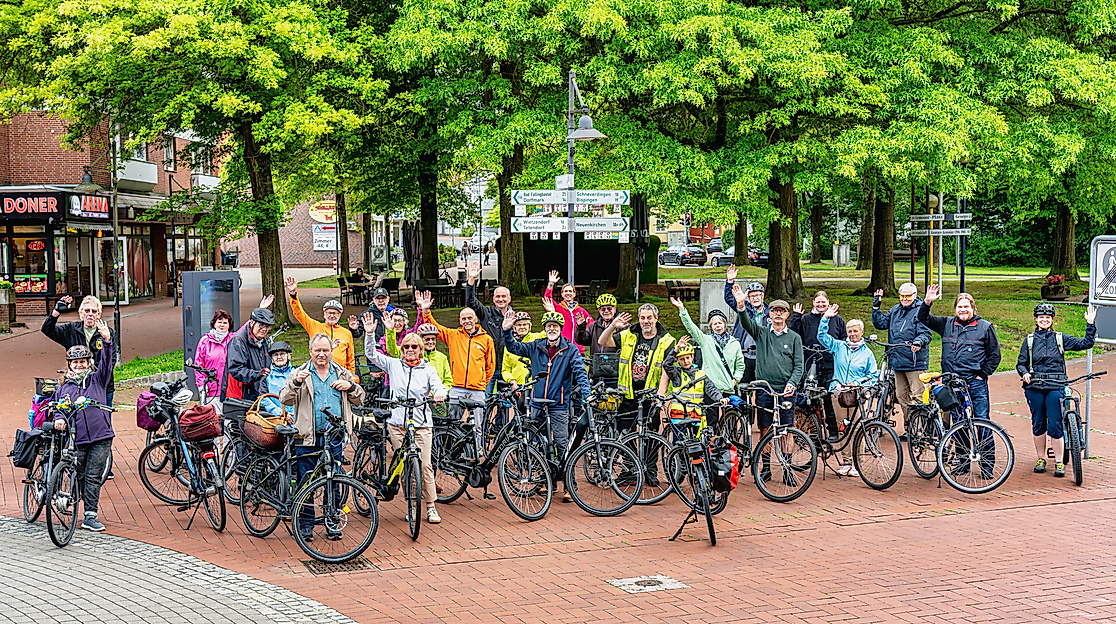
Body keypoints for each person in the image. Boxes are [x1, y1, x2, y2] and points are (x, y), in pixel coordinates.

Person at [279, 333, 365, 540]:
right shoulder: (300, 372)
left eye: (325, 350)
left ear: (331, 351)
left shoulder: (342, 373)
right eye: (317, 350)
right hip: (307, 436)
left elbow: (360, 398)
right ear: (310, 351)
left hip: (334, 436)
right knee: (306, 481)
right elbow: (284, 398)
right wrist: (296, 383)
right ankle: (306, 525)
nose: (321, 354)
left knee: (333, 481)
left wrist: (351, 386)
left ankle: (332, 521)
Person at [363, 314, 448, 523]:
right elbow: (371, 354)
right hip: (398, 423)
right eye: (407, 347)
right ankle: (411, 505)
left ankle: (430, 506)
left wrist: (439, 394)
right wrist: (370, 333)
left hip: (421, 424)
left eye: (414, 347)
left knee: (425, 465)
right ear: (402, 350)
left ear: (420, 349)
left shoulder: (427, 369)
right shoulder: (394, 365)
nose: (410, 350)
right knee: (406, 464)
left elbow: (439, 385)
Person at [502, 310, 591, 502]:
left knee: (562, 444)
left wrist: (587, 394)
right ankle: (545, 481)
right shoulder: (536, 346)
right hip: (537, 403)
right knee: (539, 444)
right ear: (544, 329)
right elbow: (513, 347)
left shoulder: (569, 349)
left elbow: (580, 373)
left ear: (560, 329)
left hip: (558, 404)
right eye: (549, 326)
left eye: (555, 326)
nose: (552, 329)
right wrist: (507, 331)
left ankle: (569, 484)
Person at [918, 284, 1001, 477]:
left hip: (975, 383)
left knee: (981, 422)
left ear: (973, 308)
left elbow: (995, 355)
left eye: (966, 307)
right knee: (958, 423)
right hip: (952, 384)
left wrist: (983, 374)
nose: (963, 310)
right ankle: (963, 463)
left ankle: (987, 466)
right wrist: (927, 301)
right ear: (955, 309)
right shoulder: (946, 324)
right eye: (959, 307)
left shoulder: (985, 327)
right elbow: (923, 318)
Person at [1017, 303, 1096, 477]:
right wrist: (1024, 373)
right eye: (1041, 318)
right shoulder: (1029, 340)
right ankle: (1041, 458)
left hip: (1055, 385)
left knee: (1055, 424)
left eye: (1047, 318)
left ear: (1052, 320)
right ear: (1036, 320)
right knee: (1038, 423)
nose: (1044, 320)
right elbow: (1021, 363)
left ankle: (1059, 462)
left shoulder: (1060, 338)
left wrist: (1090, 324)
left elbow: (1086, 343)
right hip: (1035, 387)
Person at [731, 287, 803, 473]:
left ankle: (787, 467)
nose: (778, 314)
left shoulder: (794, 338)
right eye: (774, 311)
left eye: (781, 311)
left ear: (787, 314)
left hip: (786, 389)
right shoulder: (762, 333)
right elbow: (746, 323)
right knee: (765, 428)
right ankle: (766, 467)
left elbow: (799, 366)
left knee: (787, 429)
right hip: (765, 389)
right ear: (769, 313)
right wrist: (740, 305)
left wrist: (792, 383)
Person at [53, 320, 114, 532]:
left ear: (89, 362)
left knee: (93, 475)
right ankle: (73, 501)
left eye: (83, 361)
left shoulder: (98, 379)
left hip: (101, 436)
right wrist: (59, 417)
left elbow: (107, 362)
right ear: (69, 364)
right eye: (75, 362)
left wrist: (107, 341)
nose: (79, 365)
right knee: (78, 474)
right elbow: (58, 407)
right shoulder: (64, 387)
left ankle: (90, 515)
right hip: (76, 437)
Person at [817, 306, 878, 477]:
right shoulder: (839, 346)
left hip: (857, 395)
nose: (852, 334)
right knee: (843, 426)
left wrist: (856, 383)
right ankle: (846, 461)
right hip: (839, 394)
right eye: (849, 331)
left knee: (858, 427)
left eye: (855, 331)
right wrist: (825, 319)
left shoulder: (867, 353)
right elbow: (821, 337)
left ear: (862, 332)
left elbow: (872, 376)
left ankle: (857, 463)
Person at [419, 291, 495, 427]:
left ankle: (478, 449)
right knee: (452, 423)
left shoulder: (486, 339)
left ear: (475, 319)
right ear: (460, 321)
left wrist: (482, 383)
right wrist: (426, 312)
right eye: (464, 319)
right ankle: (453, 448)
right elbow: (437, 328)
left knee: (477, 426)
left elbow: (490, 365)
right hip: (457, 388)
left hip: (477, 389)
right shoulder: (454, 335)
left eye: (469, 318)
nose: (467, 321)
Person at [598, 303, 675, 431]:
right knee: (626, 438)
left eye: (649, 318)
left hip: (650, 397)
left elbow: (666, 368)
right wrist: (612, 326)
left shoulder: (667, 340)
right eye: (643, 318)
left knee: (651, 439)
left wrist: (660, 393)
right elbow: (602, 341)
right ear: (639, 319)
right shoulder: (629, 334)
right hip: (627, 396)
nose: (646, 321)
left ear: (656, 318)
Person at [872, 284, 933, 438]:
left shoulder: (921, 310)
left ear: (915, 295)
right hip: (897, 361)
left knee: (917, 396)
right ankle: (910, 428)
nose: (905, 299)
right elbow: (880, 324)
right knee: (902, 396)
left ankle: (919, 431)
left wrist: (918, 342)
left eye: (908, 296)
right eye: (902, 296)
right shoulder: (896, 310)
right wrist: (876, 306)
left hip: (914, 362)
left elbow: (926, 333)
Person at [790, 292, 847, 443]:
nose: (821, 305)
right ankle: (811, 431)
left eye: (823, 302)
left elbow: (843, 340)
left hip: (830, 364)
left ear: (828, 302)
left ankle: (833, 430)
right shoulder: (806, 319)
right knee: (809, 400)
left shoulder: (838, 320)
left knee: (829, 399)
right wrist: (795, 317)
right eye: (818, 302)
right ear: (813, 302)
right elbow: (794, 336)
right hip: (810, 363)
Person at [42, 295, 118, 405]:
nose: (90, 314)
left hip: (101, 386)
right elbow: (47, 330)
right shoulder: (71, 329)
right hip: (75, 386)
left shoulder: (106, 332)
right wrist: (56, 312)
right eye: (87, 311)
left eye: (94, 311)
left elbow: (111, 359)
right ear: (81, 313)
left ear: (98, 314)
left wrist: (95, 375)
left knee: (101, 419)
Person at [669, 297, 744, 402]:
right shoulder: (706, 340)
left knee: (729, 416)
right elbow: (691, 328)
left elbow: (740, 365)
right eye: (715, 324)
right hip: (710, 387)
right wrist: (682, 310)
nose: (718, 326)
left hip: (728, 387)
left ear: (725, 325)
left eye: (720, 323)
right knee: (711, 416)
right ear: (711, 327)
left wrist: (735, 380)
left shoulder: (734, 343)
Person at [286, 276, 357, 375]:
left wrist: (352, 377)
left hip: (340, 375)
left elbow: (350, 359)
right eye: (329, 313)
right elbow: (299, 313)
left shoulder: (346, 333)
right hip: (318, 372)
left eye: (335, 313)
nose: (331, 316)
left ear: (340, 315)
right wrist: (293, 295)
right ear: (324, 314)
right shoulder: (315, 326)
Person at [464, 261, 514, 395]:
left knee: (507, 404)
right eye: (498, 296)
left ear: (509, 299)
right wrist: (471, 280)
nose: (501, 299)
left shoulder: (514, 318)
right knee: (484, 402)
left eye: (504, 296)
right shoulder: (486, 313)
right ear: (493, 299)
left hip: (507, 368)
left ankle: (502, 417)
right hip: (488, 367)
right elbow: (470, 302)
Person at [658, 337, 729, 429]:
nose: (686, 361)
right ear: (678, 361)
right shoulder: (676, 374)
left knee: (696, 441)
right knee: (679, 442)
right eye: (682, 359)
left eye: (688, 357)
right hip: (679, 416)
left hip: (695, 415)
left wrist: (720, 398)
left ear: (692, 357)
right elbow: (667, 365)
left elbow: (711, 388)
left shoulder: (701, 374)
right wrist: (676, 349)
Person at [724, 266, 769, 383]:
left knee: (761, 385)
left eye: (757, 295)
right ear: (748, 298)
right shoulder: (744, 309)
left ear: (762, 296)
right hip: (744, 353)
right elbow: (729, 298)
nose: (755, 298)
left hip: (762, 355)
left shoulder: (770, 313)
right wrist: (730, 281)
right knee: (744, 384)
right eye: (752, 296)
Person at [223, 307, 276, 402]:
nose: (264, 329)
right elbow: (236, 370)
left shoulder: (264, 342)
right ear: (252, 323)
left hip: (260, 395)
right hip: (241, 398)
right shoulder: (238, 340)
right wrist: (258, 374)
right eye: (261, 325)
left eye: (267, 326)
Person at [543, 271, 594, 353]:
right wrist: (551, 284)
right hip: (562, 347)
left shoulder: (581, 311)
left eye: (570, 291)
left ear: (574, 294)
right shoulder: (558, 308)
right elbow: (547, 299)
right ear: (562, 294)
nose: (568, 293)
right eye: (565, 291)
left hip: (578, 350)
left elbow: (592, 325)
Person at [193, 309, 234, 403]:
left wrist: (260, 310)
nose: (222, 325)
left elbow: (246, 329)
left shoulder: (234, 339)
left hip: (229, 391)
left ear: (229, 325)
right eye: (219, 322)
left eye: (225, 322)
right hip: (211, 391)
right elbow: (198, 366)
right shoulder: (205, 341)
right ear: (214, 324)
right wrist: (201, 385)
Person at [502, 312, 544, 387]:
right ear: (514, 327)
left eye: (524, 324)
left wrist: (552, 311)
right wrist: (512, 381)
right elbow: (505, 369)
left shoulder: (537, 337)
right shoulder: (509, 345)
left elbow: (552, 331)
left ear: (529, 326)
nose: (522, 327)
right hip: (518, 387)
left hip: (535, 385)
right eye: (519, 325)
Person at [575, 293, 621, 359]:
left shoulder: (623, 326)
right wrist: (580, 327)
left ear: (615, 308)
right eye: (603, 309)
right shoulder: (594, 326)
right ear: (599, 310)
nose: (606, 311)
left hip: (615, 365)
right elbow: (581, 341)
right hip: (596, 365)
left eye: (609, 308)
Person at [261, 341, 295, 419]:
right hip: (277, 419)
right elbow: (263, 398)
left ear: (289, 356)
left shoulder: (297, 372)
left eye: (282, 354)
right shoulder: (266, 377)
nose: (279, 357)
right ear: (272, 358)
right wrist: (281, 413)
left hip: (298, 419)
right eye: (275, 355)